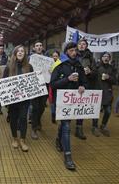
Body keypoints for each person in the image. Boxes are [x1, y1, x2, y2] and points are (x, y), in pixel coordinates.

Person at [50, 42, 87, 170]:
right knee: (66, 126)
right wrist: (68, 79)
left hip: (74, 101)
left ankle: (58, 140)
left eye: (75, 50)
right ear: (66, 52)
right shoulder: (59, 66)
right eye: (71, 50)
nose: (74, 53)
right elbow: (53, 84)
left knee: (65, 124)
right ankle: (68, 156)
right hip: (62, 101)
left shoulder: (79, 66)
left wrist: (83, 86)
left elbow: (84, 81)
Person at [4, 45, 33, 152]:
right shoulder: (9, 67)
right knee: (13, 119)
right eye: (18, 51)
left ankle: (23, 140)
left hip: (25, 99)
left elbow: (33, 82)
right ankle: (15, 138)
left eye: (22, 51)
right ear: (15, 53)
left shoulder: (29, 67)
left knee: (23, 118)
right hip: (13, 99)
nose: (20, 52)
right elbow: (3, 82)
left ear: (25, 54)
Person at [76, 39, 98, 138]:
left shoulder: (90, 58)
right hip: (74, 84)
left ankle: (79, 128)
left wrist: (90, 72)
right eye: (80, 44)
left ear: (86, 46)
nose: (81, 45)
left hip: (85, 84)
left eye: (83, 44)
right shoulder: (73, 55)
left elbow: (95, 72)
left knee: (81, 107)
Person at [30, 41, 48, 140]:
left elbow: (51, 70)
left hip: (44, 85)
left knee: (42, 107)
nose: (39, 47)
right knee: (35, 107)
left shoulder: (47, 59)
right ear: (34, 48)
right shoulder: (31, 58)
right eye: (37, 46)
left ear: (42, 47)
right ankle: (34, 128)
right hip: (34, 86)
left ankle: (38, 120)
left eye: (40, 45)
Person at [95, 52, 116, 136]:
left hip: (108, 92)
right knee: (96, 111)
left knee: (108, 111)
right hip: (98, 91)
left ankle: (103, 126)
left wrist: (109, 77)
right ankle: (94, 126)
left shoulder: (112, 68)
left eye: (107, 56)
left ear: (109, 58)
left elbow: (115, 80)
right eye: (104, 56)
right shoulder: (97, 67)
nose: (106, 58)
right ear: (101, 58)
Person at [49, 50, 61, 123]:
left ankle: (56, 114)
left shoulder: (61, 64)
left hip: (58, 84)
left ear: (58, 57)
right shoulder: (49, 63)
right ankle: (53, 114)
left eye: (56, 56)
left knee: (57, 101)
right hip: (50, 85)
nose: (55, 57)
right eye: (53, 56)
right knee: (51, 100)